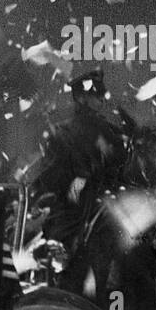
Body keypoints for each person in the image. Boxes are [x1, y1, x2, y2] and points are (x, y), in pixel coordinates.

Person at [28, 68, 130, 293]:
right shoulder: (69, 132)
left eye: (101, 94)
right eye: (95, 95)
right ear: (81, 98)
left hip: (97, 199)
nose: (101, 99)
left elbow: (119, 164)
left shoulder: (104, 130)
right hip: (80, 201)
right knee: (63, 239)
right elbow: (54, 174)